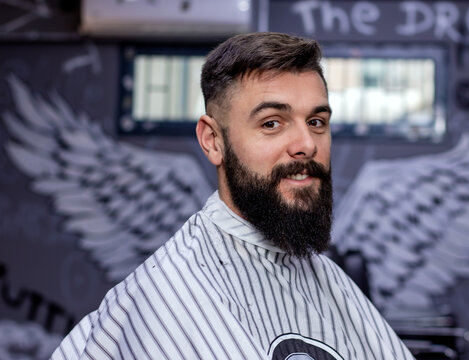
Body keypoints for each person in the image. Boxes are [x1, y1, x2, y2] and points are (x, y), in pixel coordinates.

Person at [50, 32, 415, 360]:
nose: (306, 145)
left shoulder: (326, 277)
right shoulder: (173, 294)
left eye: (316, 122)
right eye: (272, 123)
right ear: (213, 140)